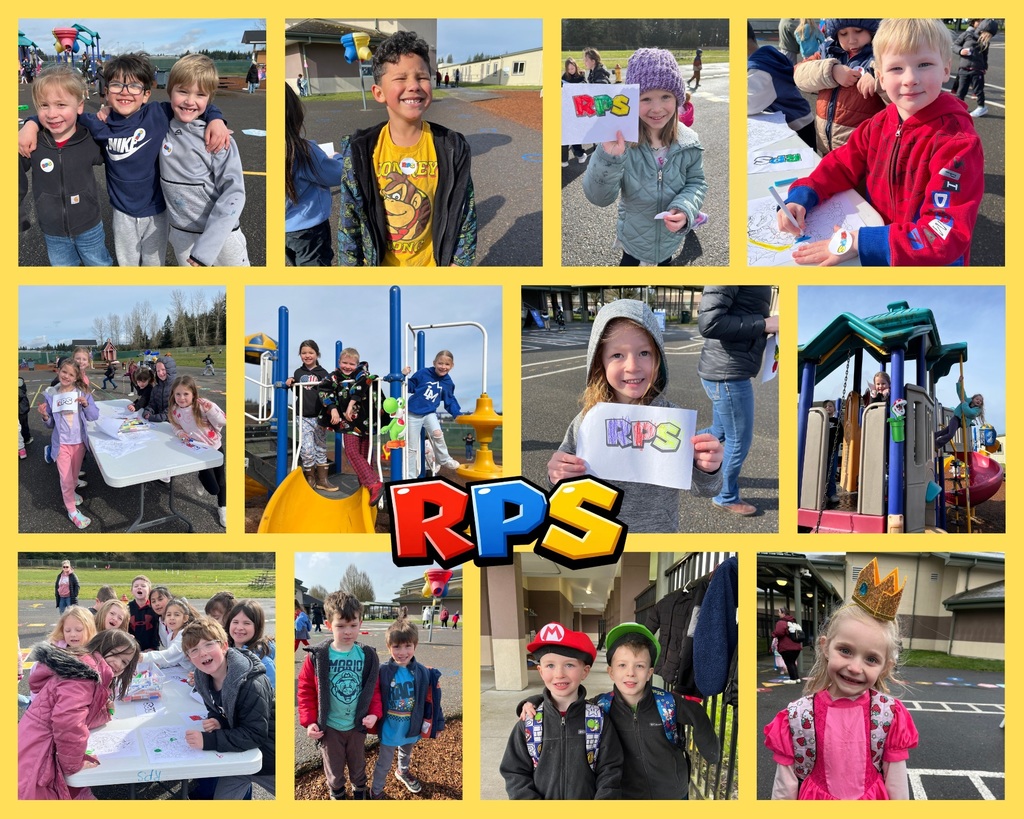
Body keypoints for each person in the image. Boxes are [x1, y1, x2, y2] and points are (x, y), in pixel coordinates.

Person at [778, 18, 983, 266]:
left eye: (924, 64)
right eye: (896, 68)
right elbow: (842, 164)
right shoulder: (880, 122)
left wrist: (858, 242)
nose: (910, 79)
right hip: (879, 240)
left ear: (946, 69)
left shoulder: (958, 144)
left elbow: (941, 234)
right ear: (880, 77)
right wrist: (803, 195)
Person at [19, 52, 230, 266]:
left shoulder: (158, 113)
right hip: (122, 214)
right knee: (127, 264)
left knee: (153, 264)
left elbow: (191, 105)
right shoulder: (98, 123)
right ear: (106, 91)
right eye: (117, 85)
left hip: (157, 211)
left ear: (147, 94)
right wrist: (31, 124)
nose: (125, 92)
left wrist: (216, 119)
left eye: (135, 86)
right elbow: (61, 110)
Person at [547, 299, 724, 533]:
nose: (632, 366)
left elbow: (706, 489)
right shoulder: (587, 419)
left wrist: (708, 468)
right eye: (617, 355)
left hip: (658, 535)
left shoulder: (672, 419)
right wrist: (555, 475)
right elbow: (561, 487)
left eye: (644, 353)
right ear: (599, 361)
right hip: (597, 535)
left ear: (658, 357)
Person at [764, 559, 919, 798]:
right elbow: (784, 787)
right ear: (825, 647)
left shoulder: (889, 716)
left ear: (885, 667)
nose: (855, 667)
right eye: (845, 651)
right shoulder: (797, 716)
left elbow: (897, 785)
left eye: (871, 659)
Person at [518, 622, 720, 799]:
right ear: (611, 672)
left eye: (639, 666)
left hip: (672, 793)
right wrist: (534, 701)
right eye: (622, 665)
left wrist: (711, 752)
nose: (630, 673)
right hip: (627, 795)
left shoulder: (667, 703)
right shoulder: (601, 706)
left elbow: (697, 714)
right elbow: (570, 705)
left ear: (650, 673)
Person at [338, 30, 477, 266]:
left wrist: (459, 264)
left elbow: (465, 210)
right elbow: (349, 222)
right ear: (379, 93)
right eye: (400, 78)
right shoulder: (360, 150)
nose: (414, 86)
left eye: (421, 77)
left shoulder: (452, 146)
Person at [583, 48, 707, 266]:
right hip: (633, 243)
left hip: (669, 242)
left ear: (677, 98)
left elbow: (696, 182)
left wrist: (685, 208)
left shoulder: (689, 142)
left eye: (666, 97)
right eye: (646, 98)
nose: (657, 108)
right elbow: (599, 198)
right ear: (631, 100)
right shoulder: (624, 143)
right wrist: (607, 158)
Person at [500, 623, 623, 799]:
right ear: (540, 671)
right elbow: (515, 773)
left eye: (569, 665)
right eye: (550, 665)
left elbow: (610, 770)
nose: (559, 674)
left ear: (585, 671)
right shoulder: (528, 723)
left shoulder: (599, 720)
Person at [18, 631, 140, 799]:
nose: (119, 664)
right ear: (102, 646)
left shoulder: (86, 668)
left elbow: (77, 715)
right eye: (117, 655)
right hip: (38, 756)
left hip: (39, 743)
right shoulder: (85, 675)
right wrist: (74, 764)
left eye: (125, 662)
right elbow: (68, 724)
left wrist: (103, 712)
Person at [19, 65, 112, 267]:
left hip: (89, 226)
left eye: (61, 105)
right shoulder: (32, 142)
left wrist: (110, 111)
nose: (52, 114)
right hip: (52, 231)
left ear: (79, 106)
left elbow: (121, 150)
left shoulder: (90, 139)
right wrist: (30, 124)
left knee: (100, 266)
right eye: (44, 105)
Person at [160, 55, 248, 266]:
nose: (190, 101)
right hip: (182, 235)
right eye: (182, 91)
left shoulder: (217, 138)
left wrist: (215, 118)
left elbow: (234, 193)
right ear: (170, 90)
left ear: (209, 99)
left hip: (222, 237)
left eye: (200, 94)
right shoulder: (159, 123)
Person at [697, 286, 777, 516]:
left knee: (718, 432)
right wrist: (765, 324)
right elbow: (710, 323)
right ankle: (725, 495)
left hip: (726, 369)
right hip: (728, 373)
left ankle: (675, 453)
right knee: (738, 439)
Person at [298, 592, 383, 800]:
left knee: (358, 763)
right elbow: (305, 690)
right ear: (328, 624)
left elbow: (374, 688)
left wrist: (374, 713)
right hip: (330, 728)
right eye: (341, 626)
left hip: (356, 725)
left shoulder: (367, 656)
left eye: (353, 625)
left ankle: (359, 789)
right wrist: (309, 722)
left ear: (360, 623)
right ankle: (337, 792)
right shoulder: (318, 657)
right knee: (333, 766)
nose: (348, 632)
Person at [183, 617, 277, 799]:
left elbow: (255, 734)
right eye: (194, 650)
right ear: (189, 658)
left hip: (269, 760)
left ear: (224, 646)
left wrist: (208, 741)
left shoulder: (251, 684)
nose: (202, 653)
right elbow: (216, 708)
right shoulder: (202, 677)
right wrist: (218, 720)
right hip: (238, 760)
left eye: (209, 645)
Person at [369, 616, 443, 797]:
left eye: (407, 646)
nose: (402, 652)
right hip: (389, 729)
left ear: (415, 646)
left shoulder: (424, 673)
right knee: (384, 763)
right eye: (396, 646)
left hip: (411, 727)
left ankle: (402, 771)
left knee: (406, 754)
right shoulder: (382, 671)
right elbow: (372, 697)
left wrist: (438, 725)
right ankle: (376, 792)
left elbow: (434, 701)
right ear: (389, 647)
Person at [794, 19, 883, 155]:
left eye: (858, 31)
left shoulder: (880, 56)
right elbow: (799, 73)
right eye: (843, 33)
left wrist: (876, 76)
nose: (851, 40)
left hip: (861, 149)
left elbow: (898, 74)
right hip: (826, 146)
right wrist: (831, 71)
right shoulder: (827, 52)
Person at [285, 85, 343, 265]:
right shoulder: (303, 151)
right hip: (310, 230)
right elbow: (337, 174)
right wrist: (337, 157)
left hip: (286, 230)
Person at [319, 347, 384, 504]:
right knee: (351, 451)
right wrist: (333, 410)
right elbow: (325, 389)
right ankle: (373, 483)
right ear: (339, 362)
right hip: (348, 422)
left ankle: (369, 485)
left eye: (351, 364)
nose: (347, 366)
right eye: (344, 363)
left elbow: (364, 381)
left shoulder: (362, 373)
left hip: (365, 419)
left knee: (366, 454)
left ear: (357, 364)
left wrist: (351, 403)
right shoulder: (334, 376)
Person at [39, 359, 98, 529]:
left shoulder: (82, 393)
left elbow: (94, 416)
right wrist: (44, 416)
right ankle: (71, 510)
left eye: (71, 374)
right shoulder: (52, 395)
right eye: (64, 372)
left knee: (73, 476)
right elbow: (50, 424)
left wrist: (86, 405)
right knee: (65, 479)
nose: (66, 376)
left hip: (79, 443)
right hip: (62, 444)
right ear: (58, 371)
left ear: (76, 377)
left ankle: (71, 493)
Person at [168, 374, 227, 527]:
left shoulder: (203, 405)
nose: (182, 398)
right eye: (178, 394)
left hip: (215, 447)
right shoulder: (175, 410)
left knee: (221, 481)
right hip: (198, 451)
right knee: (213, 489)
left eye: (186, 394)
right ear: (173, 395)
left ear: (193, 393)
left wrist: (211, 409)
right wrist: (180, 433)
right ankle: (201, 476)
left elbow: (223, 421)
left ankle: (223, 507)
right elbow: (175, 425)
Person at [748, 23, 816, 149]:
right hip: (803, 116)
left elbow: (749, 105)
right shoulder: (770, 52)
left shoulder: (758, 69)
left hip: (793, 126)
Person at [402, 350, 463, 478]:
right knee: (412, 447)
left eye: (447, 364)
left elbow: (450, 400)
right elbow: (410, 386)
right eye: (440, 363)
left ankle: (444, 459)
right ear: (434, 363)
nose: (443, 367)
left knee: (438, 434)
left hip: (430, 413)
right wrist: (403, 377)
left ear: (452, 366)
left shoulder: (448, 383)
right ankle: (410, 476)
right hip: (413, 413)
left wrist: (457, 414)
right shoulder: (424, 373)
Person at [285, 339, 332, 488]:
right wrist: (291, 382)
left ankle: (323, 480)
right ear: (300, 355)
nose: (307, 355)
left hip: (319, 416)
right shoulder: (298, 373)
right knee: (306, 448)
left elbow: (328, 393)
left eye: (311, 352)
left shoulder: (323, 374)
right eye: (304, 353)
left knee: (320, 447)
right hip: (303, 415)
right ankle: (310, 478)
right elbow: (298, 392)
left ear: (317, 354)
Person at [227, 599, 277, 688]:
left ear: (257, 626)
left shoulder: (265, 663)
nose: (239, 627)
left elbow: (270, 696)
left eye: (246, 623)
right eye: (235, 622)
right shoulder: (223, 652)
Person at [954, 18, 996, 118]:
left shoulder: (985, 42)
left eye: (989, 36)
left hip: (977, 70)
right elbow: (955, 45)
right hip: (964, 69)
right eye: (986, 34)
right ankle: (959, 107)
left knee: (978, 90)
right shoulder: (967, 35)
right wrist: (961, 50)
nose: (986, 37)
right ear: (981, 29)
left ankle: (981, 107)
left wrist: (984, 67)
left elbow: (985, 56)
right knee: (961, 91)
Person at [147, 597, 200, 668]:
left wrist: (144, 657)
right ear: (164, 619)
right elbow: (173, 661)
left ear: (185, 618)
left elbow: (171, 654)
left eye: (176, 615)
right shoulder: (170, 636)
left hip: (195, 673)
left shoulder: (184, 635)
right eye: (168, 615)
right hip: (183, 671)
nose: (172, 618)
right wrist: (159, 664)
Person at [935, 377, 983, 449]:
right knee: (950, 434)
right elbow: (962, 393)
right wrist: (959, 383)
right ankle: (937, 444)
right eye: (977, 399)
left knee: (945, 431)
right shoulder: (966, 400)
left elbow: (970, 413)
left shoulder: (977, 410)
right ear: (973, 399)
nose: (978, 401)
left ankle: (933, 435)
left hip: (960, 423)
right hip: (956, 418)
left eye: (980, 401)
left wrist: (964, 404)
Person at [561, 58, 589, 166]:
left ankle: (579, 153)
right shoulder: (564, 77)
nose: (571, 71)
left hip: (579, 107)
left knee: (575, 131)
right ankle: (564, 158)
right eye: (569, 69)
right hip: (568, 107)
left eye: (572, 68)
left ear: (576, 67)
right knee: (566, 131)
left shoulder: (581, 74)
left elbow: (585, 85)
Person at [127, 574, 160, 651]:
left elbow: (157, 630)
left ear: (150, 590)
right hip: (132, 649)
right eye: (136, 586)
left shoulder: (154, 608)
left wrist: (153, 647)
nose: (139, 587)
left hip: (151, 650)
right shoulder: (127, 609)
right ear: (131, 591)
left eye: (143, 586)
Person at [139, 356, 176, 422]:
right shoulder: (155, 389)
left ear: (170, 370)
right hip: (160, 424)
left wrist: (157, 417)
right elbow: (152, 404)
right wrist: (147, 412)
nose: (160, 373)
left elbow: (174, 408)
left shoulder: (177, 388)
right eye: (158, 371)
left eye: (163, 370)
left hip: (175, 425)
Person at [773, 607, 804, 683]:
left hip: (786, 647)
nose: (778, 614)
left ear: (783, 613)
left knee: (789, 663)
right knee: (792, 662)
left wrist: (773, 634)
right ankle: (797, 678)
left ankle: (792, 679)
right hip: (796, 647)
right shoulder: (794, 622)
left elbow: (779, 632)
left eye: (779, 612)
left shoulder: (781, 622)